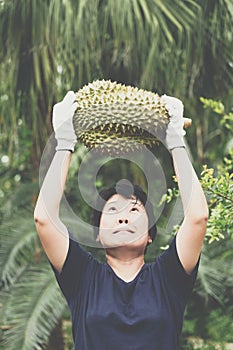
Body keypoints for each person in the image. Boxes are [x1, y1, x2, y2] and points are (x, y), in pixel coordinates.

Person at [34, 91, 209, 350]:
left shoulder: (168, 277)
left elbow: (197, 217)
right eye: (113, 210)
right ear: (97, 234)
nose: (123, 218)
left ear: (150, 235)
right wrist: (64, 143)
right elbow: (44, 219)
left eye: (135, 211)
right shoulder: (83, 277)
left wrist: (176, 142)